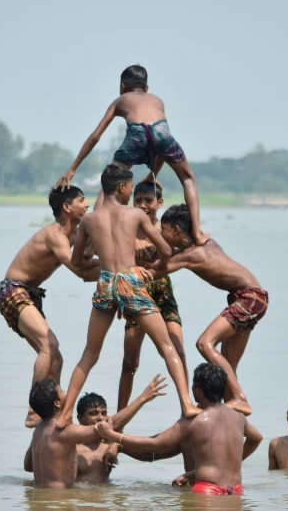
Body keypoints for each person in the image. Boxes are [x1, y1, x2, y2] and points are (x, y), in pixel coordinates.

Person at [55, 165, 201, 429]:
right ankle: (187, 404)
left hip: (106, 282)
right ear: (122, 188)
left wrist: (95, 259)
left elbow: (77, 260)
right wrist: (151, 270)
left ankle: (65, 414)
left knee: (89, 353)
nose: (133, 192)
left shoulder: (89, 220)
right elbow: (166, 250)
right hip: (131, 282)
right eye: (132, 188)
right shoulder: (134, 215)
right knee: (167, 346)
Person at [55, 64, 209, 245]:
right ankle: (198, 233)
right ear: (147, 88)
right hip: (162, 132)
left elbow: (96, 136)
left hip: (136, 135)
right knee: (188, 178)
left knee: (109, 184)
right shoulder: (157, 101)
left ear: (122, 87)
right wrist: (153, 175)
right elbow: (160, 144)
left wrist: (73, 168)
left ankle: (92, 240)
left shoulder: (121, 100)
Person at [148, 204, 268, 415]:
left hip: (248, 298)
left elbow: (153, 272)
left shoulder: (192, 255)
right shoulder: (207, 243)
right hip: (252, 299)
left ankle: (240, 399)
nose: (161, 236)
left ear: (176, 230)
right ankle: (235, 418)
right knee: (228, 367)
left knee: (204, 344)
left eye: (163, 231)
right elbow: (174, 251)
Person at [0, 186, 100, 428]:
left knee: (56, 359)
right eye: (82, 201)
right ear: (67, 207)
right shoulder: (56, 235)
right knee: (49, 345)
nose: (86, 205)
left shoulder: (73, 236)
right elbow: (80, 272)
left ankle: (51, 415)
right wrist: (117, 270)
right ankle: (34, 410)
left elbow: (87, 262)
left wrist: (114, 263)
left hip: (31, 294)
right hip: (13, 289)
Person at [95, 363, 263, 495]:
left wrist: (113, 435)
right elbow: (256, 438)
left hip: (207, 492)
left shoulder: (194, 421)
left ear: (197, 390)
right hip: (235, 491)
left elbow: (155, 444)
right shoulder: (238, 417)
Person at [25, 374, 167, 488]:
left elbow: (28, 466)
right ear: (57, 403)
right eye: (62, 391)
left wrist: (113, 444)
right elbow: (101, 431)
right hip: (58, 503)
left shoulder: (38, 431)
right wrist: (142, 398)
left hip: (40, 501)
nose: (66, 393)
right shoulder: (65, 432)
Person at [117, 181, 187, 412]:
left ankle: (188, 407)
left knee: (177, 351)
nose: (143, 205)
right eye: (138, 200)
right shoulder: (128, 229)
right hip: (136, 293)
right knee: (130, 362)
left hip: (162, 292)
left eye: (149, 201)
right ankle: (120, 417)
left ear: (160, 203)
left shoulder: (165, 229)